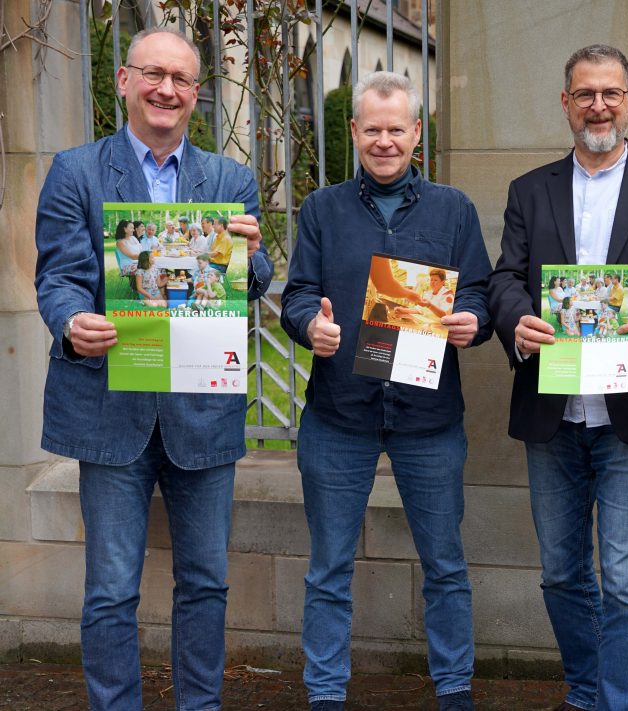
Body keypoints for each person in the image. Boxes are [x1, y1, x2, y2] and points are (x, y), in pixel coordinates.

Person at [33, 27, 272, 711]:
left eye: (182, 79)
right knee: (111, 588)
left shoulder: (230, 179)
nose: (167, 89)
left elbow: (253, 282)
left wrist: (251, 256)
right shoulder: (76, 171)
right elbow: (57, 278)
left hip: (202, 409)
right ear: (126, 81)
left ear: (197, 93)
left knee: (205, 582)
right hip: (110, 409)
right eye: (154, 74)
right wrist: (72, 322)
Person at [488, 44, 628, 711]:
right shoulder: (530, 190)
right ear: (565, 103)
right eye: (585, 93)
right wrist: (518, 320)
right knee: (560, 574)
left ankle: (618, 701)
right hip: (553, 412)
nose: (598, 105)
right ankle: (587, 692)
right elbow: (504, 276)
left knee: (627, 577)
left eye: (611, 93)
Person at [280, 71, 491, 711]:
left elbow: (479, 290)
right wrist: (307, 326)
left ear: (416, 133)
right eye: (372, 129)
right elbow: (294, 295)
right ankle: (324, 693)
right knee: (328, 570)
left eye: (396, 129)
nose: (384, 141)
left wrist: (472, 321)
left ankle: (453, 689)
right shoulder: (321, 209)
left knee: (446, 567)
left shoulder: (454, 210)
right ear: (354, 132)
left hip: (428, 419)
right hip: (338, 415)